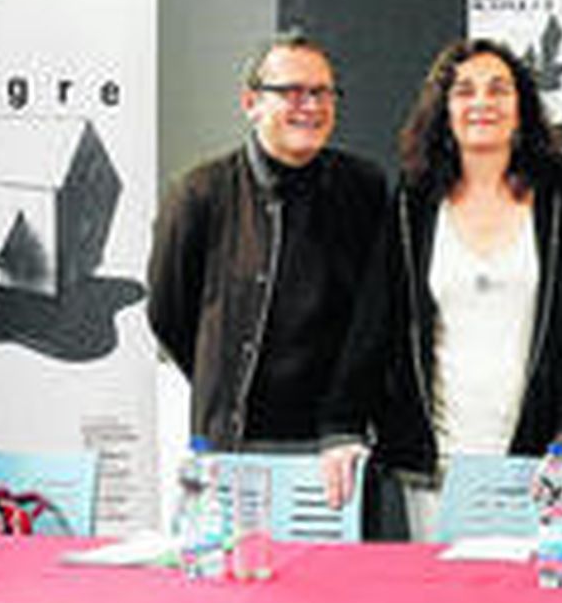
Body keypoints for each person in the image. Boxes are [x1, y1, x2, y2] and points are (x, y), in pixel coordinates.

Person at [319, 39, 562, 538]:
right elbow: (377, 317)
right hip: (439, 458)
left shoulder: (561, 189)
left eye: (499, 89)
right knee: (447, 587)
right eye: (464, 91)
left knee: (538, 585)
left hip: (538, 456)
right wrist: (342, 425)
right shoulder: (415, 196)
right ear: (443, 109)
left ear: (521, 106)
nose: (482, 102)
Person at [147, 30, 387, 449]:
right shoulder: (200, 193)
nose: (311, 106)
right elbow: (168, 314)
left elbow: (376, 315)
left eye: (322, 93)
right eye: (292, 92)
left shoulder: (363, 188)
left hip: (337, 444)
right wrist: (221, 381)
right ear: (251, 103)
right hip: (235, 441)